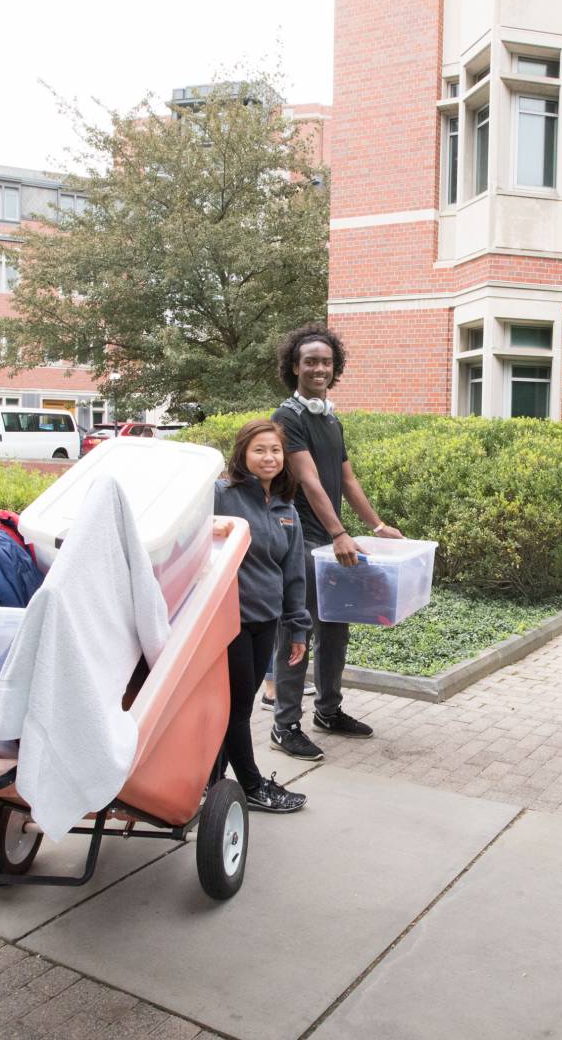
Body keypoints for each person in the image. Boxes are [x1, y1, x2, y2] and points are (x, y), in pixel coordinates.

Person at [268, 325, 401, 761]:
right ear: (295, 367)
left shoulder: (329, 417)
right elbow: (307, 480)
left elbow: (346, 479)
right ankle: (285, 725)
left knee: (336, 628)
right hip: (300, 538)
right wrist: (340, 533)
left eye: (326, 361)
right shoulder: (288, 417)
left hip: (329, 540)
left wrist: (376, 525)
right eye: (311, 361)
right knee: (297, 630)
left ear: (334, 367)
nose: (319, 368)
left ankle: (328, 710)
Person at [213, 419, 311, 812]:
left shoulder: (287, 509)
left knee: (240, 704)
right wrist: (209, 525)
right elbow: (184, 531)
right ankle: (252, 786)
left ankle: (210, 778)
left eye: (275, 450)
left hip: (265, 621)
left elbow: (293, 573)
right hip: (227, 620)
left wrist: (298, 628)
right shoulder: (221, 494)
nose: (268, 457)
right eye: (259, 450)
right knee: (237, 706)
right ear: (243, 454)